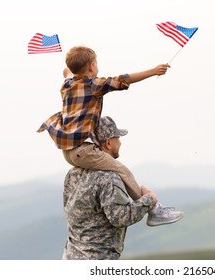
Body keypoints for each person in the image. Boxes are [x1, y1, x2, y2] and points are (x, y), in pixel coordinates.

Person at [38, 45, 181, 226]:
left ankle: (154, 210)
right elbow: (123, 80)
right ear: (90, 66)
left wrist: (70, 68)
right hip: (84, 149)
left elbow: (66, 71)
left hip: (68, 151)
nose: (97, 67)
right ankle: (154, 210)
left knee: (105, 170)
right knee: (122, 170)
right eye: (95, 63)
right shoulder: (94, 84)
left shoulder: (67, 84)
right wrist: (153, 71)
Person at [62, 116, 181, 260]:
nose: (121, 142)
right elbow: (120, 217)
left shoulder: (73, 173)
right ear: (108, 143)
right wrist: (149, 199)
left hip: (70, 257)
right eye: (117, 138)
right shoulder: (108, 178)